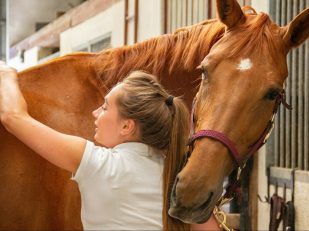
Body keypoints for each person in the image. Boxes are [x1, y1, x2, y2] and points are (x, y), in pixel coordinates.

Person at [0, 61, 219, 230]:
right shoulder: (176, 175)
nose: (95, 113)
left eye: (104, 107)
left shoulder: (97, 164)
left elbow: (12, 117)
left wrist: (6, 73)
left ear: (127, 126)